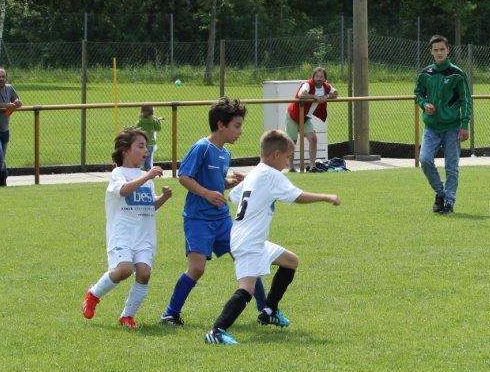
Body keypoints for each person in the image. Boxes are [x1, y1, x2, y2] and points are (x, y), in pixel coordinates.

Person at [205, 130, 341, 345]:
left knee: (291, 261)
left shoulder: (256, 173)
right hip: (248, 241)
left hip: (251, 238)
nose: (287, 163)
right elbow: (297, 196)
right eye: (287, 157)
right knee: (246, 289)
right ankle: (216, 331)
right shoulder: (269, 175)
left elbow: (233, 197)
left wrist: (252, 185)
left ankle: (269, 311)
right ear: (276, 154)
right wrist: (326, 196)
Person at [159, 97, 265, 325]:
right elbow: (184, 177)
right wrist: (206, 193)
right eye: (237, 126)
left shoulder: (225, 154)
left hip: (222, 218)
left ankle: (266, 310)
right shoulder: (202, 148)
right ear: (221, 125)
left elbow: (214, 183)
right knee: (197, 268)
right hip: (198, 219)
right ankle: (170, 313)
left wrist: (229, 183)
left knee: (247, 258)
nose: (240, 131)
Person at [82, 127, 172, 328]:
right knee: (124, 270)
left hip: (144, 237)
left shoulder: (145, 178)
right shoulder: (119, 173)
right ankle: (93, 294)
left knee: (144, 273)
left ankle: (127, 316)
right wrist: (148, 176)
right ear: (125, 151)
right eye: (140, 146)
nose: (145, 151)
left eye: (146, 147)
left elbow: (148, 205)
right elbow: (123, 190)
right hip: (123, 235)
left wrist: (164, 197)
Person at [414, 35, 472, 214]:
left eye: (442, 49)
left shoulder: (457, 74)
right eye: (436, 50)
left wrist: (465, 125)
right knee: (424, 160)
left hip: (452, 127)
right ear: (431, 52)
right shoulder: (425, 73)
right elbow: (418, 94)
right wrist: (424, 104)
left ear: (448, 51)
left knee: (451, 167)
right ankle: (441, 193)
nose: (439, 53)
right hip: (431, 128)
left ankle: (449, 202)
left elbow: (466, 100)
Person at [285, 66, 338, 172]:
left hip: (305, 118)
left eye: (321, 77)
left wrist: (327, 96)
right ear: (313, 77)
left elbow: (336, 93)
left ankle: (312, 167)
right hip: (293, 115)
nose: (319, 78)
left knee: (313, 139)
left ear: (325, 79)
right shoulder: (308, 84)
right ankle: (291, 168)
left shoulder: (326, 86)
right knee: (292, 142)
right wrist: (314, 97)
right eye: (317, 76)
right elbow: (301, 94)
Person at [0, 67, 22, 186]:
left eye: (3, 77)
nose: (1, 79)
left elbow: (17, 100)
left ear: (6, 78)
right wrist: (6, 105)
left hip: (5, 131)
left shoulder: (9, 88)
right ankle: (3, 175)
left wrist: (17, 103)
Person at [135, 105, 163, 171]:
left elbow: (136, 130)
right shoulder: (153, 121)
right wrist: (158, 121)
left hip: (142, 143)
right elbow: (158, 128)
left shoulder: (141, 121)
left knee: (142, 158)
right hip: (151, 143)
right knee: (148, 158)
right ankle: (148, 171)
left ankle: (142, 171)